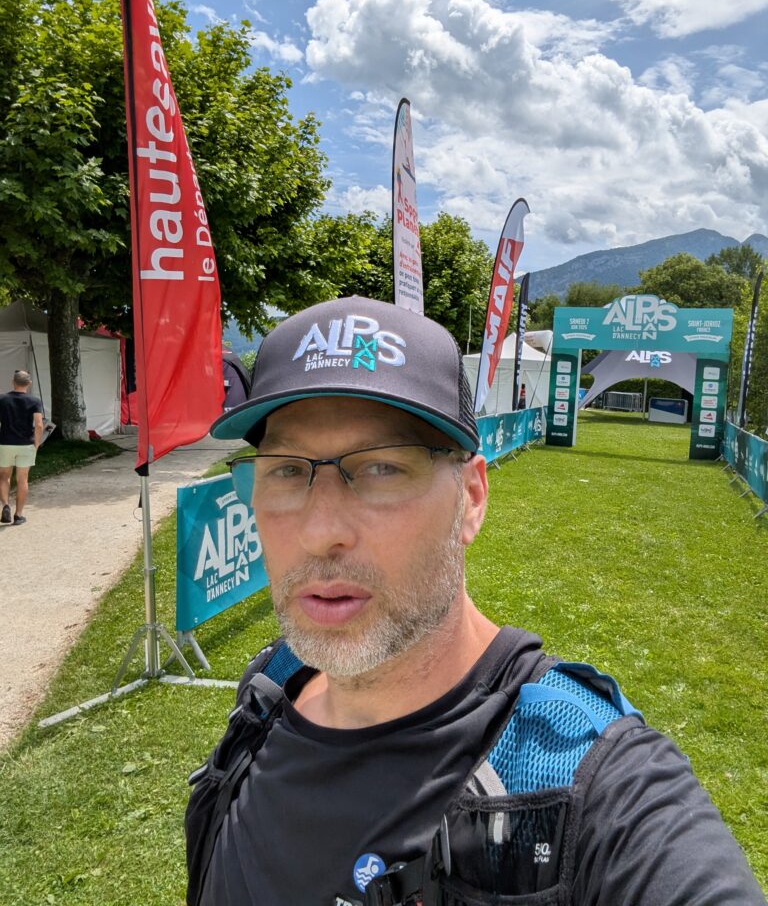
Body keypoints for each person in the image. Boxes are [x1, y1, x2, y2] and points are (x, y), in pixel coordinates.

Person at [187, 296, 766, 906]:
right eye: (285, 469)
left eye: (381, 468)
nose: (319, 530)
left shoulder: (588, 781)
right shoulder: (268, 693)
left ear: (471, 498)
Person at [0, 369, 44, 526]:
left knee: (4, 476)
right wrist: (37, 443)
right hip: (26, 444)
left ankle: (5, 505)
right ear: (29, 383)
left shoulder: (2, 399)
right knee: (22, 479)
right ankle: (18, 515)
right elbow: (39, 425)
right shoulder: (34, 401)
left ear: (13, 382)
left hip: (5, 443)